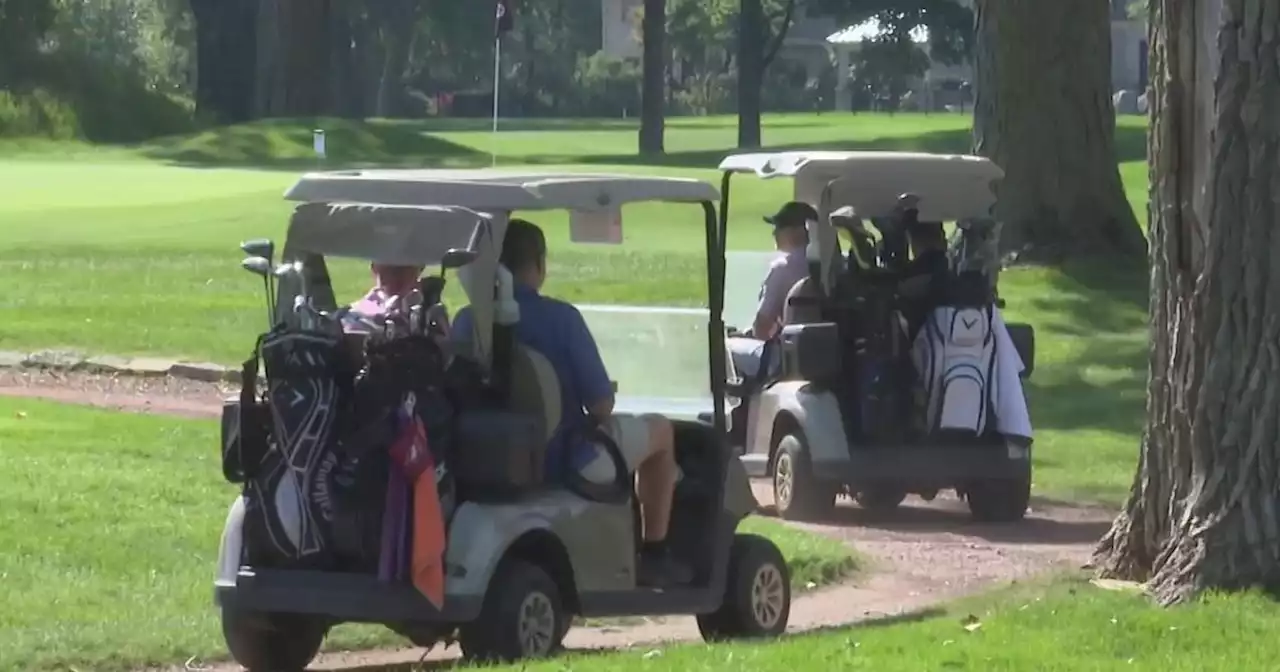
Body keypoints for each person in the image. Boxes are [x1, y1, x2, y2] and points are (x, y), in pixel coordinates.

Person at [451, 219, 692, 587]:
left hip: (485, 459)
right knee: (660, 430)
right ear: (539, 264)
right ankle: (655, 551)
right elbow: (600, 405)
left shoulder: (468, 321)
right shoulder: (561, 319)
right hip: (563, 460)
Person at [725, 201, 816, 380]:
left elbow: (762, 329)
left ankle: (737, 407)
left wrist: (747, 334)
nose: (774, 233)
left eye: (780, 227)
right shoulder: (833, 264)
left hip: (784, 359)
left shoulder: (783, 268)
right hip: (818, 356)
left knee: (722, 349)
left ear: (799, 231)